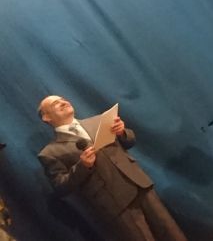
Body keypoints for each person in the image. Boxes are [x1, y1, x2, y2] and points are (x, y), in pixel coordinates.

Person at [37, 95, 187, 241]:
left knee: (171, 232)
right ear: (46, 117)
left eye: (63, 99)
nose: (63, 102)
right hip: (114, 202)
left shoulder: (100, 121)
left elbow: (129, 142)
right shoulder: (50, 153)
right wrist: (83, 166)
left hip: (139, 185)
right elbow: (61, 187)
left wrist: (122, 132)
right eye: (55, 104)